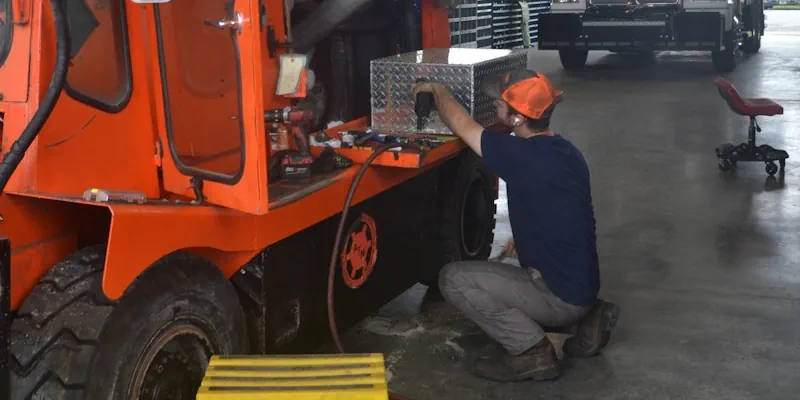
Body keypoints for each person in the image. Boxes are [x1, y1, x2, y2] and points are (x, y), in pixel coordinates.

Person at [412, 69, 620, 382]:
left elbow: (462, 125)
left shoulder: (521, 155)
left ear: (517, 119)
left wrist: (437, 90)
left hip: (561, 295)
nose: (494, 106)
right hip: (580, 285)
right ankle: (588, 317)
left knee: (454, 279)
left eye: (498, 103)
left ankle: (531, 352)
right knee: (509, 269)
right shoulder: (565, 152)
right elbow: (556, 212)